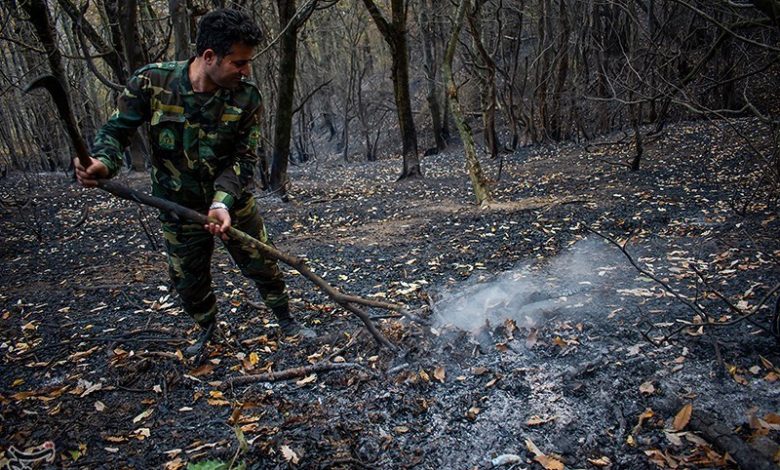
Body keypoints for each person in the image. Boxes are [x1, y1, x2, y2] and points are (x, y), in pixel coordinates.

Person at [74, 8, 314, 357]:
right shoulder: (152, 82)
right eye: (239, 63)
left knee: (263, 263)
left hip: (232, 203)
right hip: (177, 206)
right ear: (209, 56)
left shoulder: (246, 97)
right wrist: (102, 162)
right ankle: (208, 331)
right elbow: (116, 131)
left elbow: (244, 159)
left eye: (248, 62)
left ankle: (287, 321)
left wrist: (221, 202)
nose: (246, 71)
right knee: (189, 281)